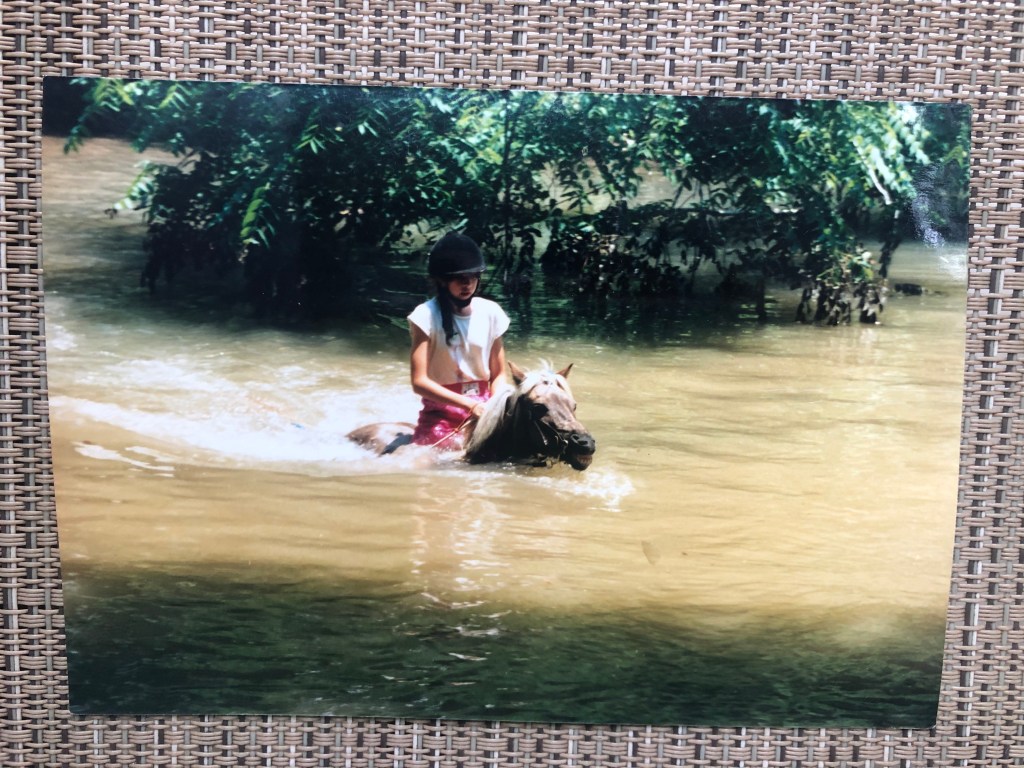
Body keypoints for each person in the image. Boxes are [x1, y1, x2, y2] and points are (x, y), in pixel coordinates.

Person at [407, 232, 510, 450]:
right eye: (460, 278)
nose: (468, 284)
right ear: (442, 281)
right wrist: (469, 405)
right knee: (427, 464)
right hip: (441, 413)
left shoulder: (491, 312)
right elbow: (419, 382)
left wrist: (495, 405)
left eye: (473, 277)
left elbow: (499, 374)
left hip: (485, 410)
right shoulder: (425, 316)